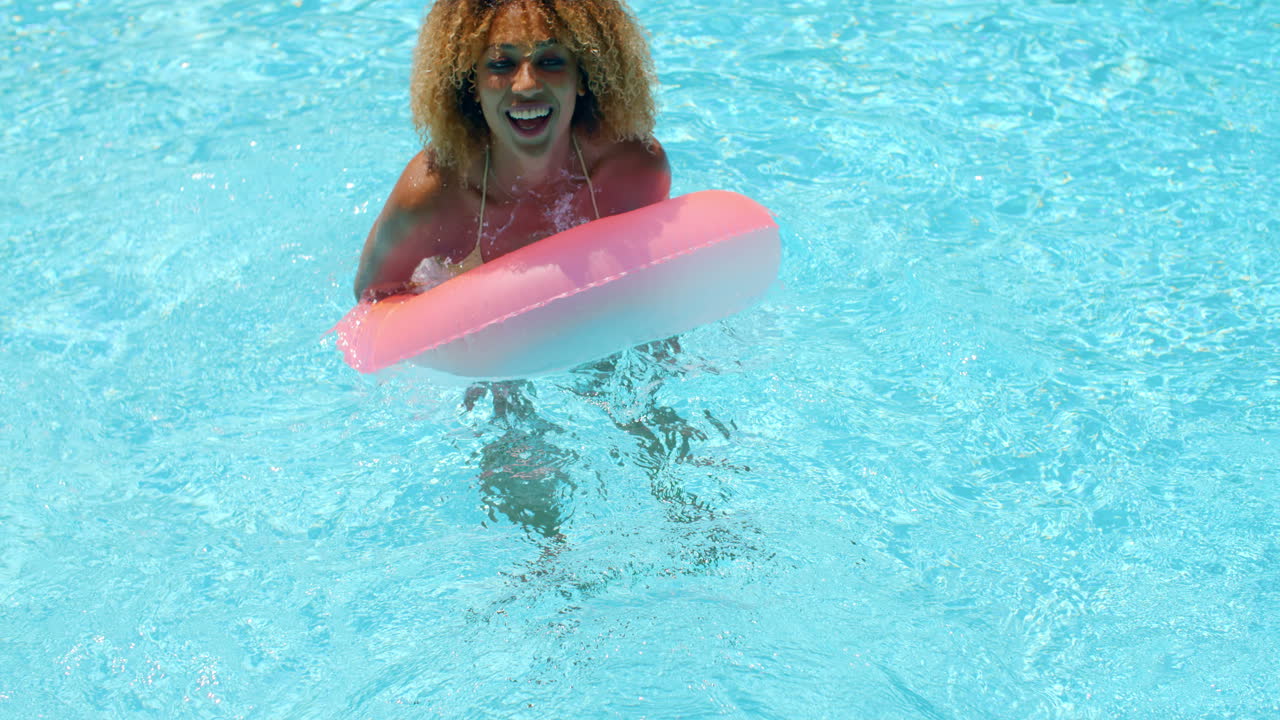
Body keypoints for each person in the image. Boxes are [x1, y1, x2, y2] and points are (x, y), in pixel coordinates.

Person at [354, 0, 671, 301]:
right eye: (501, 64)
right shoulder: (435, 194)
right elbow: (375, 301)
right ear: (471, 84)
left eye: (550, 61)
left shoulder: (634, 170)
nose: (526, 86)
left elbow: (656, 292)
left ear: (582, 76)